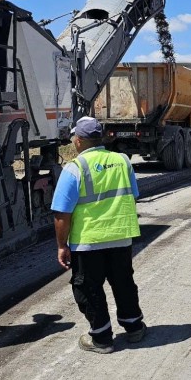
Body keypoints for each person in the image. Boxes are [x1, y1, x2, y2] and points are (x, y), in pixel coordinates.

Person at [51, 116, 147, 354]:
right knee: (123, 282)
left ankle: (102, 337)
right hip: (121, 236)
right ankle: (134, 327)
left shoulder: (75, 168)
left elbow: (62, 213)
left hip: (88, 241)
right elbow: (132, 194)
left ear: (79, 141)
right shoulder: (123, 161)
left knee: (88, 288)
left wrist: (62, 245)